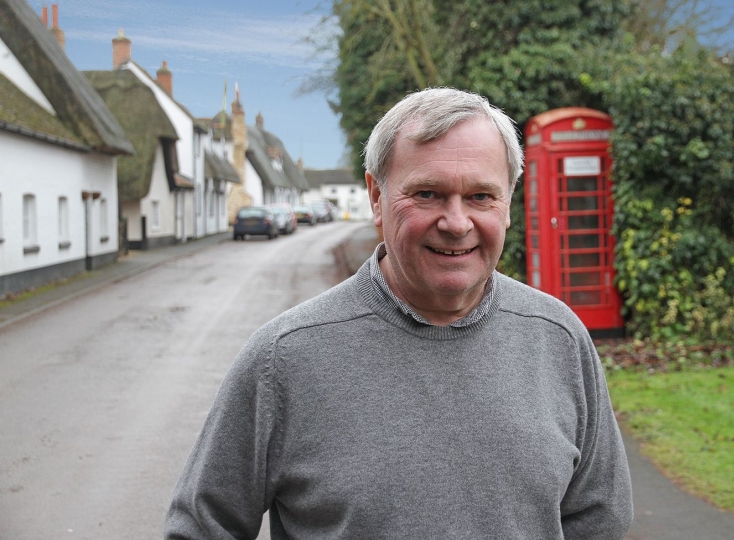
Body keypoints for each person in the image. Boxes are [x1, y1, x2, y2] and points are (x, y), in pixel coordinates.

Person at [164, 88, 633, 539]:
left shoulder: (560, 339)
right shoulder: (283, 359)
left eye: (480, 196)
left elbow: (599, 520)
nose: (456, 223)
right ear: (376, 197)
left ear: (507, 205)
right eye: (427, 194)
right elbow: (204, 528)